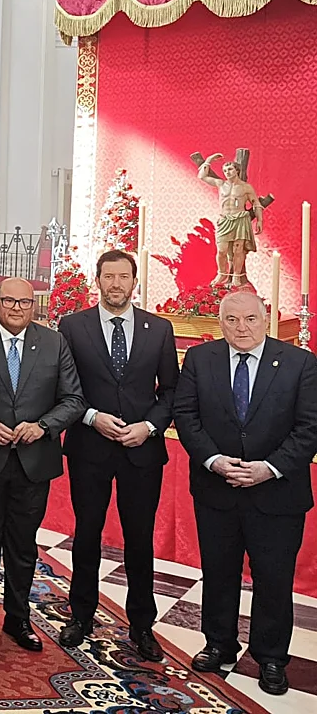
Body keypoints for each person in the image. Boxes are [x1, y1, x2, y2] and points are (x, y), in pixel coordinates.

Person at [174, 291, 317, 696]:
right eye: (232, 320)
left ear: (265, 318)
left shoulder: (300, 363)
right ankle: (218, 643)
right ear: (220, 322)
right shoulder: (201, 360)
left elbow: (309, 428)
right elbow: (186, 416)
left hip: (277, 495)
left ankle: (271, 658)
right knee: (218, 573)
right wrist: (214, 461)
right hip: (216, 490)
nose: (242, 328)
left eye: (251, 319)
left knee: (273, 579)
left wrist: (267, 469)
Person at [57, 249, 179, 661]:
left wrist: (149, 427)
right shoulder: (72, 327)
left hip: (142, 451)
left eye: (123, 276)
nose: (116, 284)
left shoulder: (159, 329)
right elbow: (65, 386)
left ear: (134, 281)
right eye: (108, 276)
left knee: (138, 539)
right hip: (90, 447)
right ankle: (80, 616)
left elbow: (172, 392)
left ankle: (142, 625)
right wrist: (91, 417)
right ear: (98, 280)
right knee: (86, 533)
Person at [0, 278, 85, 651]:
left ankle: (18, 619)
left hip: (34, 461)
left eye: (25, 302)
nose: (17, 308)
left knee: (22, 546)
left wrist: (43, 426)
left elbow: (73, 399)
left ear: (34, 306)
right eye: (9, 301)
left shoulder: (54, 341)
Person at [197, 153, 264, 286]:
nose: (227, 172)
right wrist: (209, 160)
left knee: (238, 250)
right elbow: (202, 176)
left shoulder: (245, 187)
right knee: (221, 250)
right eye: (225, 170)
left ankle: (236, 276)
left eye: (230, 169)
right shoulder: (220, 184)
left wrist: (260, 220)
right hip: (224, 220)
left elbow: (256, 203)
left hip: (240, 220)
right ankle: (222, 273)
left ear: (237, 170)